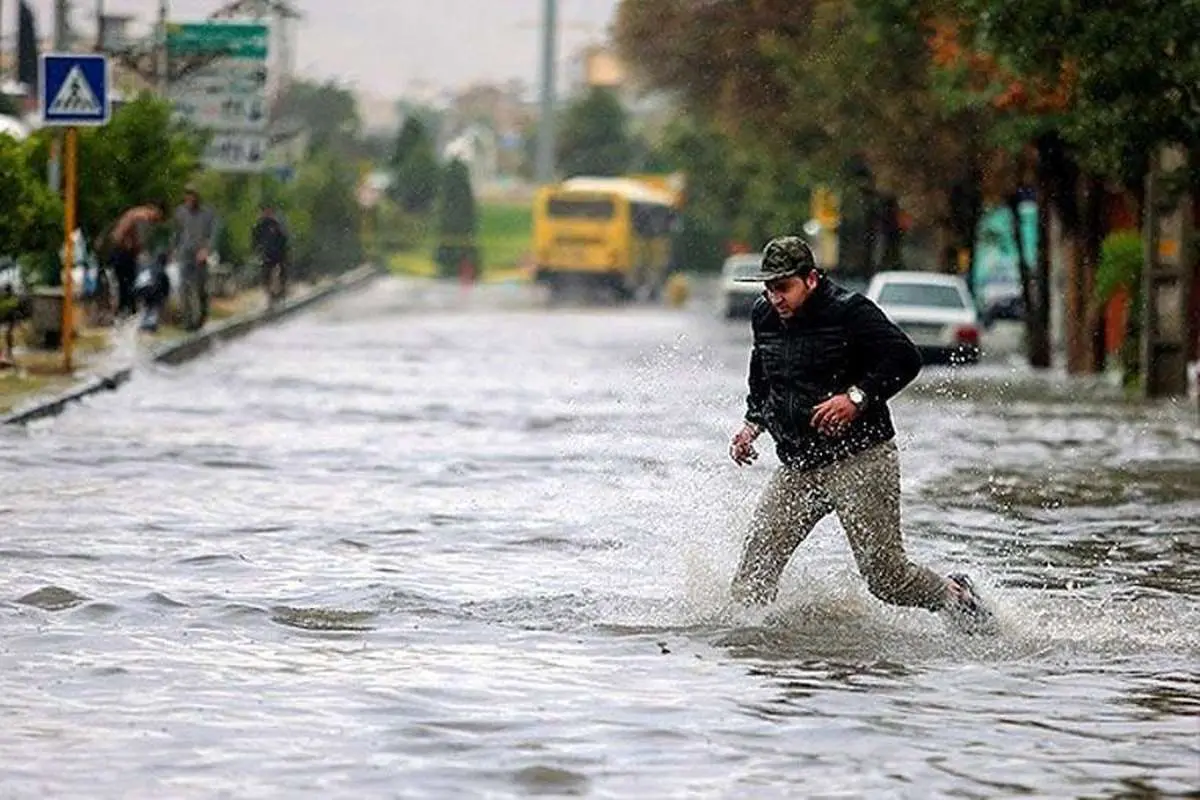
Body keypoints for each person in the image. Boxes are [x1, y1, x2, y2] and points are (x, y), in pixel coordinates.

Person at [727, 235, 996, 633]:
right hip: (799, 466)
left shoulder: (849, 311)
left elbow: (906, 358)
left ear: (811, 280)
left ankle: (956, 595)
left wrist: (856, 397)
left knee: (886, 580)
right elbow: (764, 376)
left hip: (860, 458)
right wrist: (752, 425)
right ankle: (762, 655)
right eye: (768, 289)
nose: (775, 298)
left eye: (783, 288)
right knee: (751, 577)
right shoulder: (764, 315)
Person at [171, 184, 219, 329]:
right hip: (184, 253)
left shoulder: (207, 213)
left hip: (200, 254)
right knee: (184, 287)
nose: (189, 198)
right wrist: (173, 249)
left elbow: (213, 234)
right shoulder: (180, 212)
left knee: (200, 288)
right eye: (187, 195)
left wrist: (206, 250)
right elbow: (176, 233)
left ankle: (202, 316)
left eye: (192, 195)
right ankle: (188, 320)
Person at [105, 202, 165, 317]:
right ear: (154, 210)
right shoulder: (142, 217)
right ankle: (127, 313)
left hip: (118, 251)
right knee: (128, 284)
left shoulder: (134, 213)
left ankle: (124, 311)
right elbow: (138, 239)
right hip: (124, 253)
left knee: (122, 284)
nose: (156, 221)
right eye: (157, 217)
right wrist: (140, 252)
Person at [251, 202, 290, 305]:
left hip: (279, 254)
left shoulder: (277, 225)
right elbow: (255, 241)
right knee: (265, 277)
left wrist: (284, 252)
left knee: (282, 273)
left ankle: (281, 292)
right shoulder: (259, 226)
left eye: (268, 211)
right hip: (266, 255)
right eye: (264, 211)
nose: (266, 213)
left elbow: (284, 238)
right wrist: (257, 251)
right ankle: (271, 296)